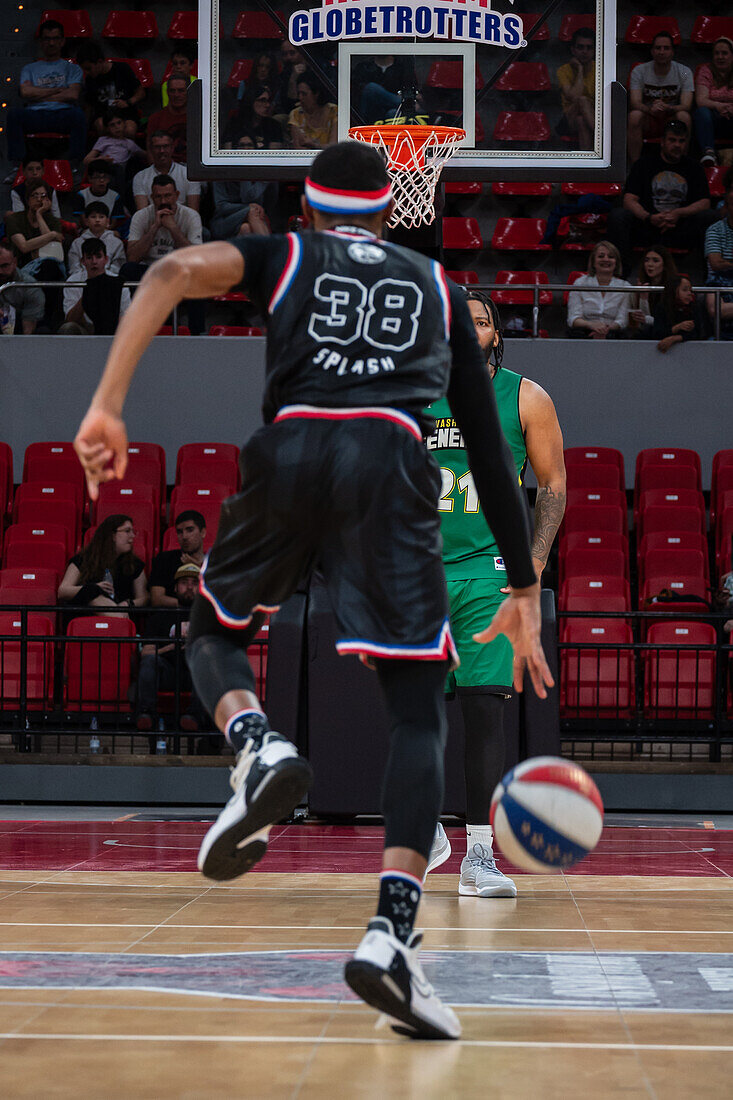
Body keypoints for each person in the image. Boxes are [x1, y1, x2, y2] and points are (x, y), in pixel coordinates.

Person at [73, 140, 552, 1041]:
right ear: (388, 207)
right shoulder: (439, 288)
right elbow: (489, 454)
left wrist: (106, 403)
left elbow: (173, 266)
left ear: (307, 204)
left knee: (210, 634)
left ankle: (253, 744)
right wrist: (522, 584)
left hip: (290, 452)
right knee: (418, 715)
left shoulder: (286, 254)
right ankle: (391, 936)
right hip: (390, 468)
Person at [424, 293, 565, 898]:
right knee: (415, 712)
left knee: (484, 712)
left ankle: (478, 858)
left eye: (481, 321)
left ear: (495, 335)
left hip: (487, 573)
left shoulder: (526, 397)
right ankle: (426, 831)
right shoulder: (407, 393)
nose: (470, 329)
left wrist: (531, 566)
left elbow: (553, 488)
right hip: (418, 573)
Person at [608, 120, 717, 276]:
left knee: (710, 217)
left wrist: (679, 213)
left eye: (681, 141)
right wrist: (648, 217)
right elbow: (629, 200)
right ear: (662, 142)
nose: (677, 145)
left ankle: (708, 275)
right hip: (648, 226)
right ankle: (620, 274)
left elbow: (705, 202)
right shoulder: (644, 164)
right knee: (618, 216)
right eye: (672, 140)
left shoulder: (694, 167)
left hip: (680, 228)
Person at [121, 175, 204, 334]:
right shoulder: (141, 216)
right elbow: (132, 257)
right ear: (152, 197)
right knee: (128, 270)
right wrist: (154, 228)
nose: (163, 201)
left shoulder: (190, 216)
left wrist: (173, 228)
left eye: (167, 196)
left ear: (177, 195)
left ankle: (197, 333)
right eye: (158, 197)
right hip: (151, 271)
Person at [137, 562, 207, 735]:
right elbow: (145, 652)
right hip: (168, 672)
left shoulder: (209, 617)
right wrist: (171, 646)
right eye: (184, 583)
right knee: (149, 661)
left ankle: (194, 717)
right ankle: (146, 714)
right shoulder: (160, 617)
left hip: (196, 676)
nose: (189, 587)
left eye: (194, 583)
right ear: (175, 588)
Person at [6, 19, 86, 165]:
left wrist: (38, 95)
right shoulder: (29, 68)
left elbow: (72, 94)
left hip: (63, 115)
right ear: (41, 42)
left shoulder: (73, 68)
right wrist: (57, 90)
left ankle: (75, 165)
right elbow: (25, 92)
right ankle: (18, 165)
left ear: (62, 41)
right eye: (47, 39)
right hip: (35, 115)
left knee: (79, 115)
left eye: (55, 39)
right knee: (14, 114)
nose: (51, 43)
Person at [628, 32, 694, 164]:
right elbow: (635, 103)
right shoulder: (639, 71)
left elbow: (687, 105)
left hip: (671, 117)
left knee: (684, 116)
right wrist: (650, 109)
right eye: (658, 48)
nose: (661, 52)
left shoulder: (684, 71)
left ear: (672, 51)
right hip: (649, 117)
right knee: (634, 115)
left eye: (666, 48)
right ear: (652, 51)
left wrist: (668, 107)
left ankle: (682, 161)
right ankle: (634, 164)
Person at [58, 513, 147, 610]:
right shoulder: (84, 559)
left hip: (121, 609)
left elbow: (144, 598)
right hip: (86, 614)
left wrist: (128, 603)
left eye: (133, 531)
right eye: (127, 531)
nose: (132, 536)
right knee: (96, 599)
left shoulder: (134, 563)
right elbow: (63, 591)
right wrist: (94, 588)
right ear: (112, 535)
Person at [60, 238, 131, 335]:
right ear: (83, 261)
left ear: (106, 259)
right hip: (85, 328)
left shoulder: (118, 282)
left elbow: (125, 317)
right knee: (68, 328)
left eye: (98, 257)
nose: (94, 261)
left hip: (113, 330)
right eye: (89, 257)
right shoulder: (73, 281)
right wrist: (88, 293)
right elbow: (70, 319)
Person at [75, 42, 143, 139]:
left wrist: (128, 102)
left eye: (88, 69)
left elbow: (141, 93)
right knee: (101, 125)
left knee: (129, 129)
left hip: (126, 114)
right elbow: (89, 105)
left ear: (99, 62)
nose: (86, 72)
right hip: (104, 116)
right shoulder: (90, 80)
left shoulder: (122, 69)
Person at [566, 240, 631, 338]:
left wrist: (605, 330)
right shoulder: (580, 283)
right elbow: (573, 319)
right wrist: (591, 325)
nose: (606, 259)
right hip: (585, 331)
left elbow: (622, 320)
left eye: (611, 257)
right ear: (593, 262)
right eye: (601, 256)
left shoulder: (626, 287)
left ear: (616, 262)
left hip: (613, 332)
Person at [149, 510, 207, 608]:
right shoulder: (164, 560)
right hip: (171, 617)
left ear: (203, 532)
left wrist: (197, 565)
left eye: (190, 530)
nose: (184, 537)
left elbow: (222, 596)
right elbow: (156, 599)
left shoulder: (214, 562)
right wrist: (188, 605)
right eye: (180, 532)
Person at [132, 131, 201, 212]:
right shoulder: (140, 177)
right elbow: (142, 213)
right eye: (157, 147)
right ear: (151, 149)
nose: (162, 151)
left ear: (172, 148)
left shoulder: (188, 175)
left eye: (165, 146)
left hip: (183, 222)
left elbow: (193, 212)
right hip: (153, 222)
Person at [82, 109, 146, 196]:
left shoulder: (129, 143)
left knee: (123, 172)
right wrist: (100, 159)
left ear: (124, 124)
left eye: (119, 123)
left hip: (120, 172)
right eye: (112, 125)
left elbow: (144, 155)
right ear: (107, 128)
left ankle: (119, 200)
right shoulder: (104, 140)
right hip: (104, 169)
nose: (117, 127)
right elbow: (86, 160)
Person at [694, 37, 733, 168]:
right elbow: (701, 100)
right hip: (713, 117)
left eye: (724, 53)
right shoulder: (705, 71)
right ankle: (708, 153)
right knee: (702, 112)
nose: (720, 57)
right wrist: (719, 106)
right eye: (717, 53)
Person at [704, 168, 733, 338]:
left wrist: (727, 263)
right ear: (726, 206)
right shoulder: (715, 230)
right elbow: (716, 264)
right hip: (719, 281)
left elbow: (722, 262)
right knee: (715, 307)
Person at [556, 28, 596, 150]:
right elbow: (573, 97)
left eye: (589, 48)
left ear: (595, 50)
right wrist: (580, 70)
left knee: (581, 121)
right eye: (580, 47)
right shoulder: (563, 70)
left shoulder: (601, 69)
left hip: (593, 116)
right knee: (582, 100)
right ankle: (604, 136)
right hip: (568, 119)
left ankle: (588, 166)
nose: (585, 51)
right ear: (573, 50)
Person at [352, 54, 420, 124]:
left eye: (385, 42)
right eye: (378, 42)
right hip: (371, 111)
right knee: (371, 88)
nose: (382, 42)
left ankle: (406, 103)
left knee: (392, 114)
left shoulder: (402, 66)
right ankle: (407, 104)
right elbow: (357, 91)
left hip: (394, 111)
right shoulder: (364, 67)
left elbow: (412, 89)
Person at [628, 245, 678, 336]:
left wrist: (647, 319)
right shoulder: (639, 286)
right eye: (646, 260)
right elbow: (643, 324)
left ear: (665, 264)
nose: (650, 264)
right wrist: (643, 299)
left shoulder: (674, 288)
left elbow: (669, 323)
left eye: (655, 261)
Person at [653, 274, 708, 352]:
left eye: (690, 290)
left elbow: (700, 334)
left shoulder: (695, 307)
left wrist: (675, 338)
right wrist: (676, 328)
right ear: (673, 291)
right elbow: (657, 333)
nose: (689, 293)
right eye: (685, 290)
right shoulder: (662, 307)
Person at [68, 201, 125, 275]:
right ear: (86, 221)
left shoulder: (116, 242)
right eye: (93, 217)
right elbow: (74, 267)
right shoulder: (77, 242)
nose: (97, 220)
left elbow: (118, 267)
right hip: (83, 279)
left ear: (108, 221)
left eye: (101, 217)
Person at [0, 245, 46, 334]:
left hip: (21, 327)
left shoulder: (29, 285)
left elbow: (28, 330)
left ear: (15, 262)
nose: (0, 271)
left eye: (4, 266)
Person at [73, 159, 127, 234]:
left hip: (107, 230)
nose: (102, 180)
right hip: (87, 230)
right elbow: (84, 223)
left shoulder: (115, 197)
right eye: (97, 177)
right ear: (90, 179)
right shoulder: (81, 195)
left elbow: (113, 223)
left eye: (105, 177)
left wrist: (102, 231)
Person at [146, 75, 190, 163]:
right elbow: (150, 151)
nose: (176, 95)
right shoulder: (155, 119)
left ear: (189, 92)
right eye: (172, 91)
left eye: (181, 91)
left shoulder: (200, 118)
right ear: (167, 92)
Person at [225, 85, 284, 150]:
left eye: (268, 101)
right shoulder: (234, 124)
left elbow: (273, 157)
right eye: (262, 100)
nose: (267, 105)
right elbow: (228, 153)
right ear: (250, 101)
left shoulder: (274, 126)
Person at [210, 179, 274, 238]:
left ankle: (269, 247)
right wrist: (247, 207)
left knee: (246, 228)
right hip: (224, 220)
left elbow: (251, 199)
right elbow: (221, 206)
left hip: (252, 221)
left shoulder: (257, 179)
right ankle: (271, 248)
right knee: (252, 211)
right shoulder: (221, 177)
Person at [288, 73, 338, 149]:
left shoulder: (334, 111)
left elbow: (335, 146)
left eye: (304, 94)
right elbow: (298, 149)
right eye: (299, 93)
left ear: (316, 94)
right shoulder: (296, 114)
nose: (300, 98)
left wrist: (315, 146)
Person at [6, 155, 61, 219]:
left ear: (43, 171)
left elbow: (56, 216)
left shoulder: (50, 189)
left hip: (47, 224)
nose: (35, 173)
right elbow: (19, 217)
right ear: (24, 171)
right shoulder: (17, 192)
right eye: (30, 169)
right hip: (26, 224)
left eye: (38, 169)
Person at [274, 40, 308, 117]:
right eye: (284, 54)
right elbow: (288, 106)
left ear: (302, 53)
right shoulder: (284, 74)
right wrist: (293, 80)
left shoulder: (317, 70)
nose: (288, 57)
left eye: (292, 53)